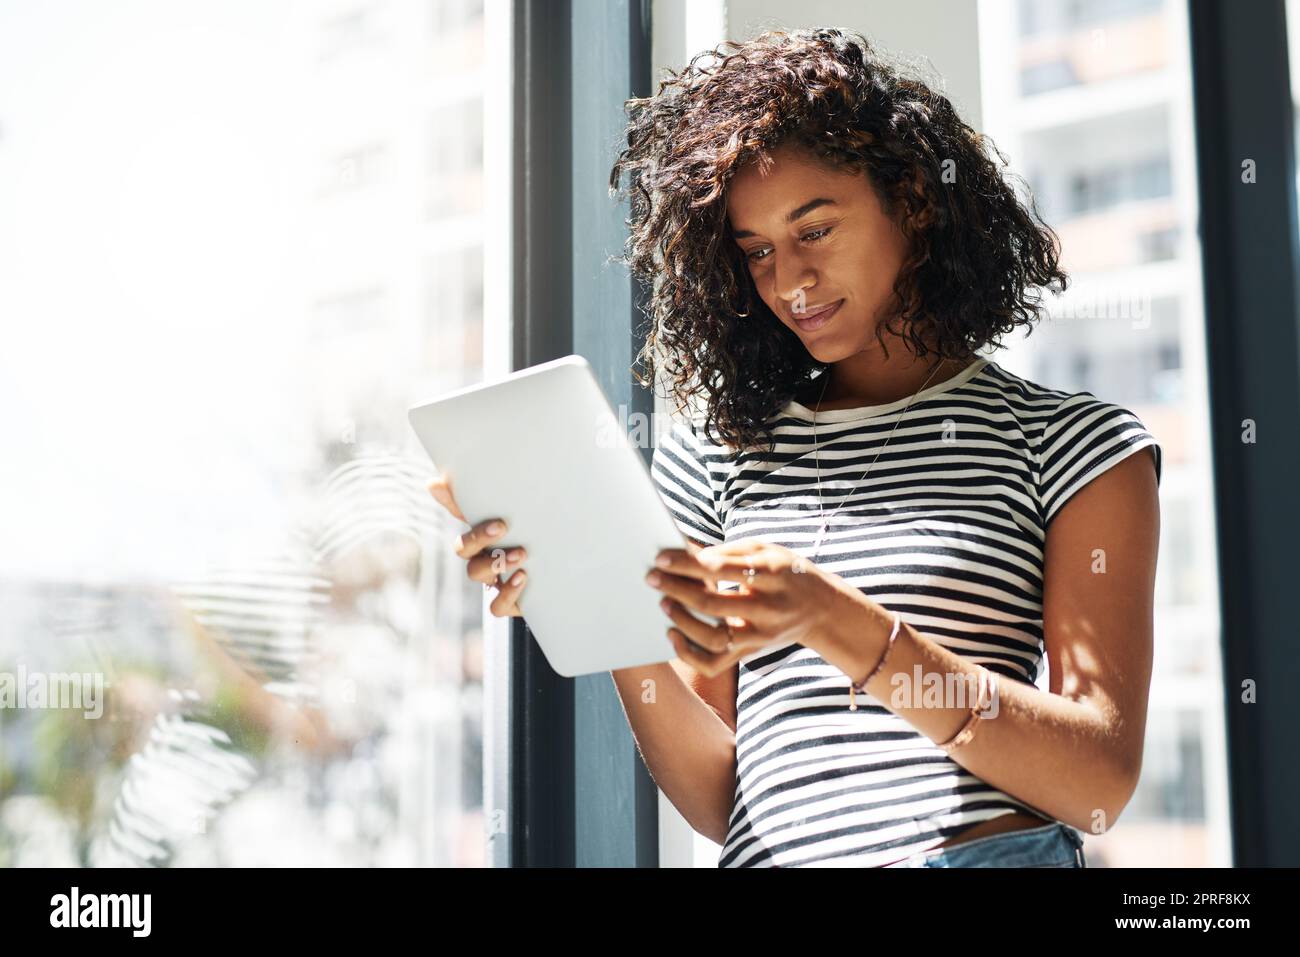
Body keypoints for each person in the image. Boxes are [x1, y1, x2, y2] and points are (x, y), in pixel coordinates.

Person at [431, 28, 1161, 868]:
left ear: (915, 199)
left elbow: (1097, 779)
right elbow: (721, 798)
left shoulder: (1072, 444)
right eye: (759, 253)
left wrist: (831, 617)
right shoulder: (715, 459)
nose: (790, 283)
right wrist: (596, 612)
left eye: (814, 231)